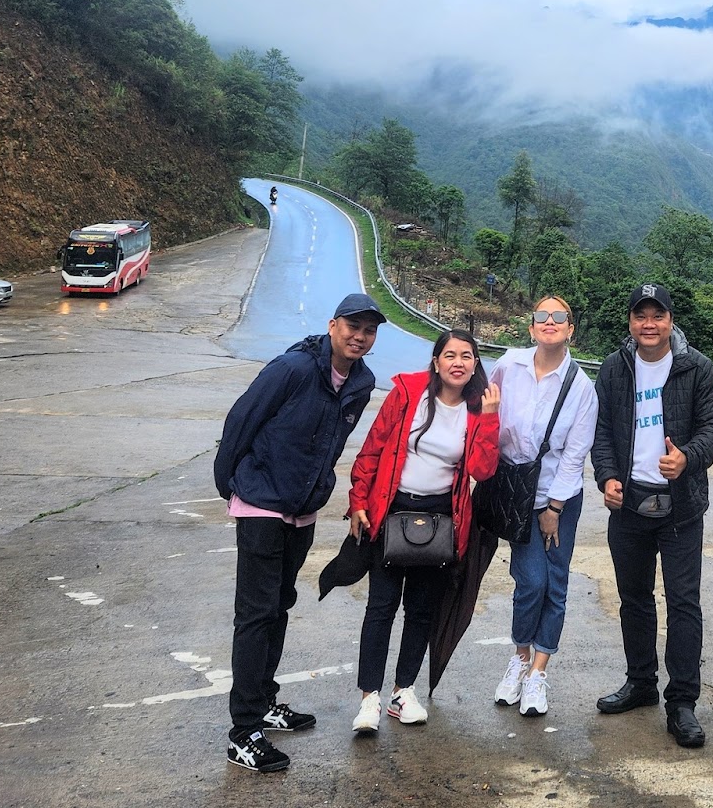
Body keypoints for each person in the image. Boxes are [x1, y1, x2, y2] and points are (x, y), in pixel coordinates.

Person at [214, 291, 381, 773]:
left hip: (302, 511)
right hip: (261, 503)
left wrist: (319, 486)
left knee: (279, 606)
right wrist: (231, 482)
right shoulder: (292, 368)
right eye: (352, 326)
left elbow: (332, 442)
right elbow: (242, 420)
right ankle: (244, 731)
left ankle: (264, 700)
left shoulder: (362, 381)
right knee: (255, 614)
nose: (359, 337)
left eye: (368, 331)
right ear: (333, 326)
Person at [592, 284, 713, 748]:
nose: (649, 324)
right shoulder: (615, 368)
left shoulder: (696, 368)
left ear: (671, 320)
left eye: (658, 315)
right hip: (629, 504)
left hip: (681, 507)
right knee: (633, 598)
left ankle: (682, 702)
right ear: (630, 321)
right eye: (640, 316)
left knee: (683, 602)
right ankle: (641, 683)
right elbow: (602, 430)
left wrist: (687, 457)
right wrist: (608, 476)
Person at [347, 329, 500, 733]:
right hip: (391, 510)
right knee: (381, 606)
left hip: (440, 519)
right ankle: (369, 698)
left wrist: (489, 418)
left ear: (475, 365)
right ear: (436, 362)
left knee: (420, 609)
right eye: (449, 355)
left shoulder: (477, 409)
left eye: (466, 356)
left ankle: (403, 692)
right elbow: (373, 448)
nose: (457, 362)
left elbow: (482, 470)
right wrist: (358, 500)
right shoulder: (408, 393)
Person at [487, 294, 599, 717]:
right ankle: (519, 658)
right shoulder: (509, 365)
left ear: (570, 329)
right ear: (532, 327)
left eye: (559, 317)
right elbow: (487, 416)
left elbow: (575, 453)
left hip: (559, 496)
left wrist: (554, 508)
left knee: (555, 583)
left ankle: (538, 671)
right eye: (542, 316)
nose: (549, 321)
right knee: (530, 581)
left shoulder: (581, 387)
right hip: (516, 492)